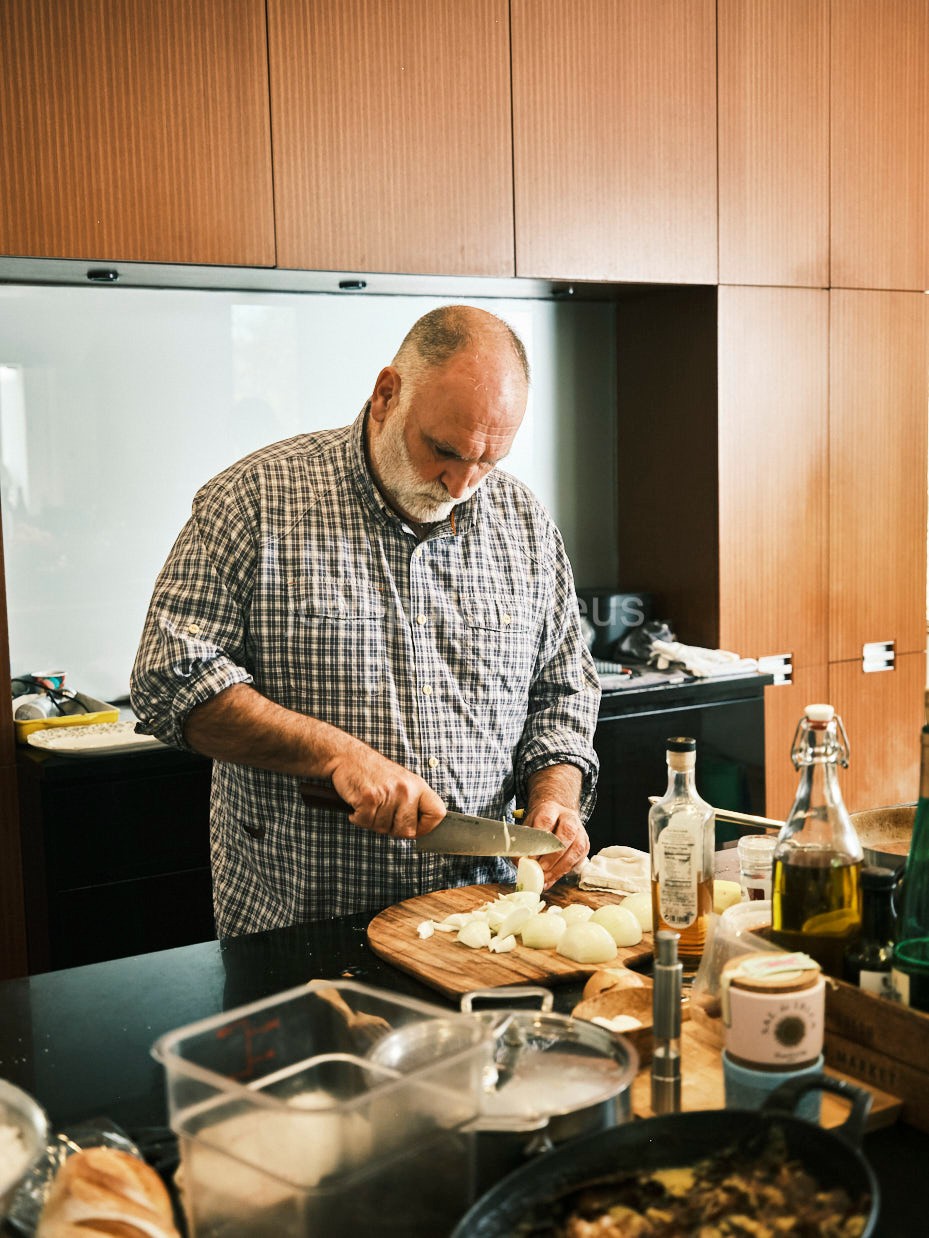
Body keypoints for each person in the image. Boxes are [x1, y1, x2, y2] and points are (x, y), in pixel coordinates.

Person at [131, 305, 600, 936]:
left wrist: (554, 799)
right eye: (444, 450)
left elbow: (564, 690)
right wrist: (337, 756)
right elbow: (170, 680)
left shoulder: (525, 524)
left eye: (489, 461)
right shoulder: (254, 502)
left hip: (483, 924)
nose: (461, 485)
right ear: (386, 395)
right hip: (303, 923)